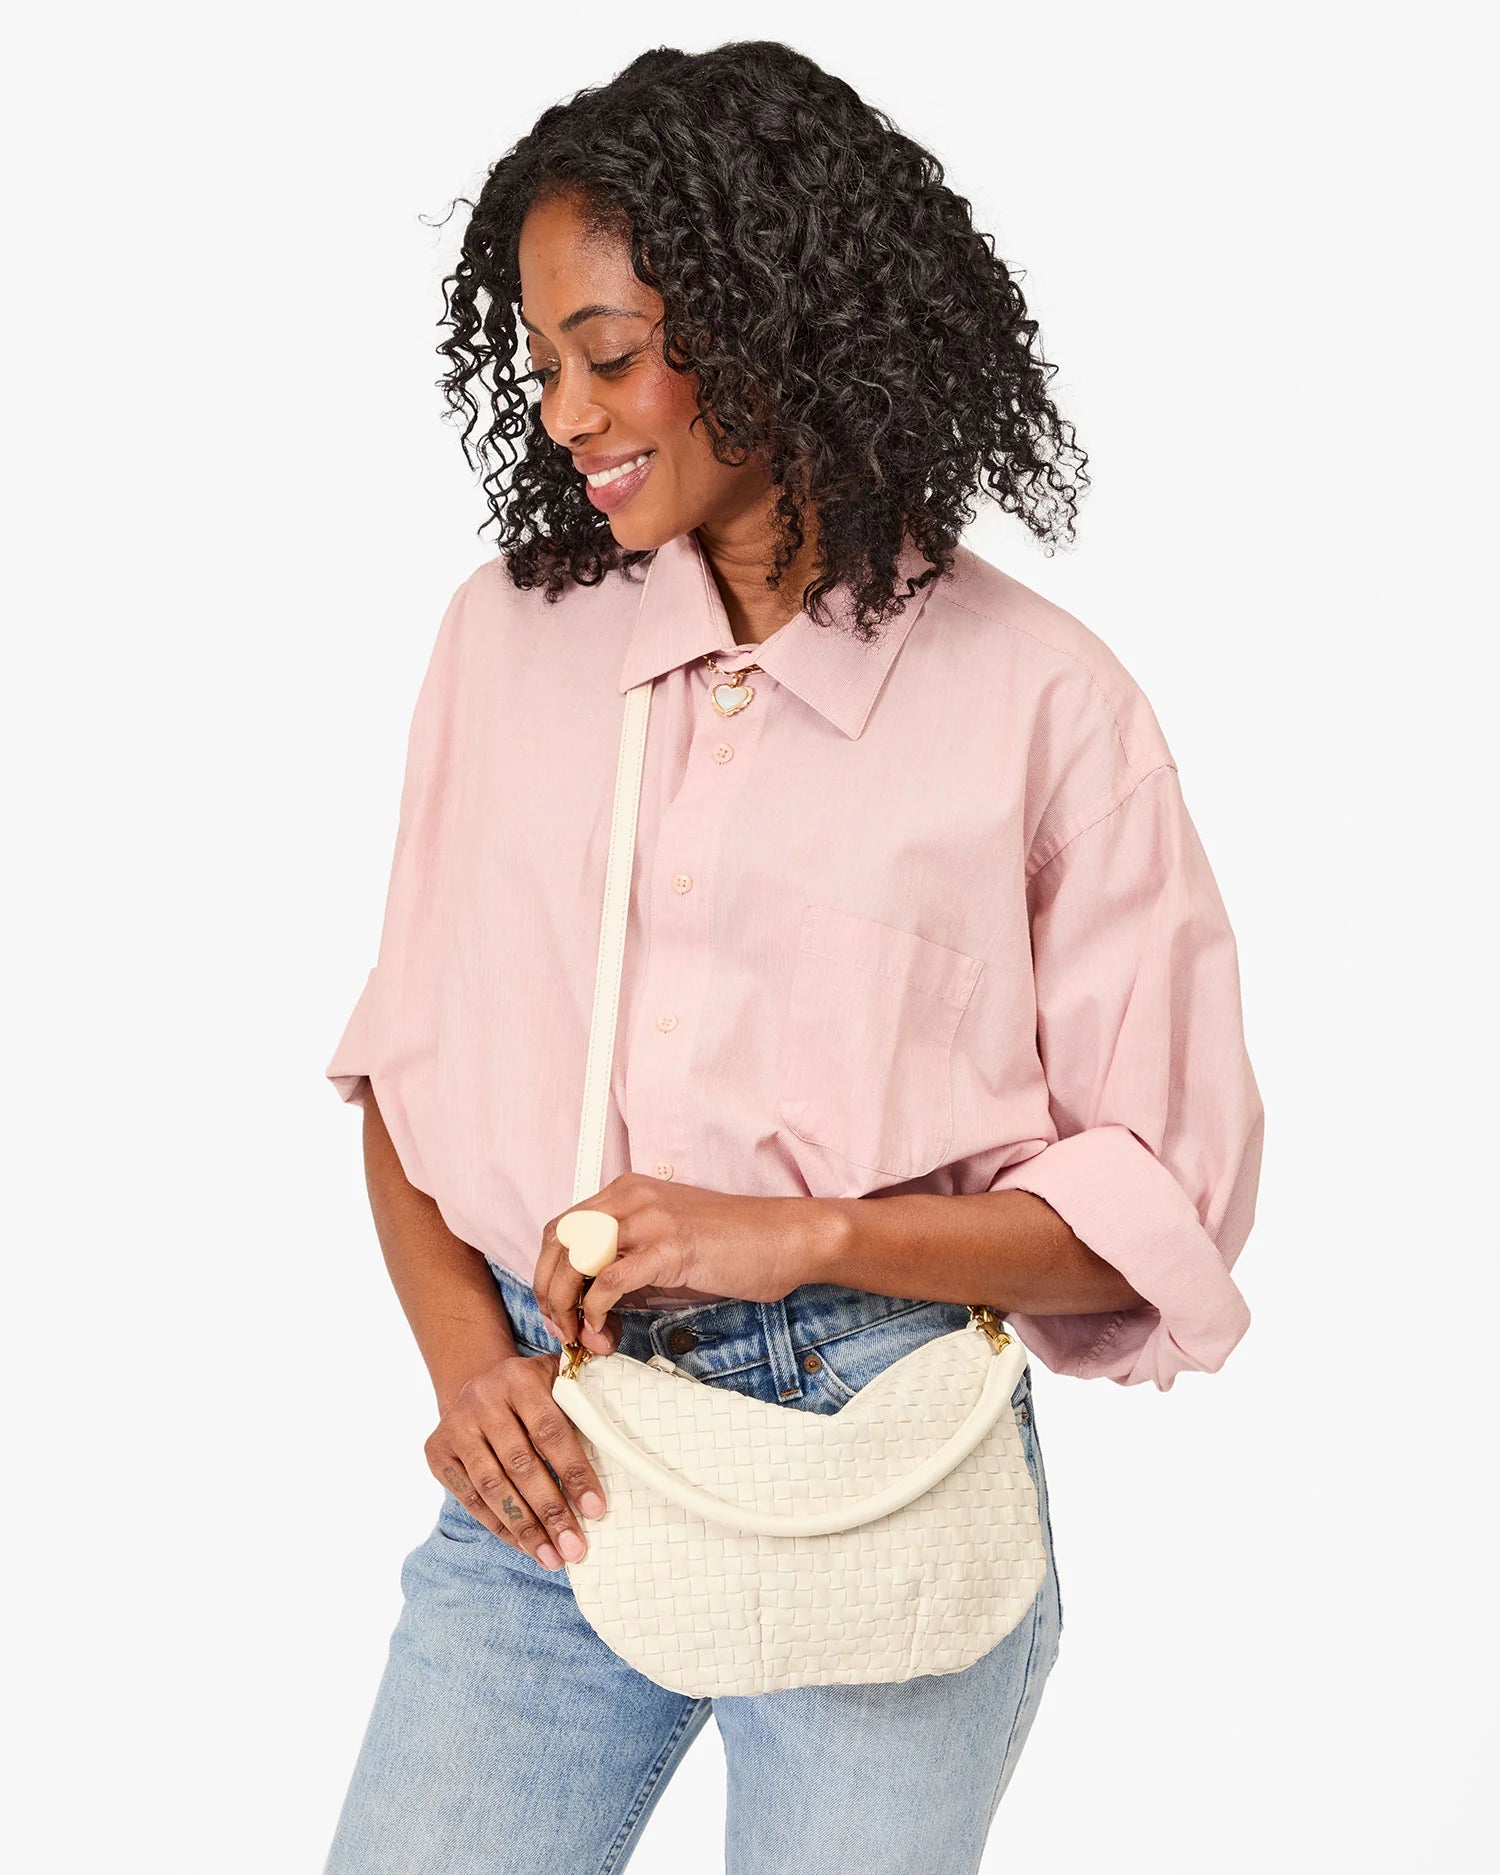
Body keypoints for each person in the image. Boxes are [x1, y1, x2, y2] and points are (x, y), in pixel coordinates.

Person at [320, 39, 1264, 1875]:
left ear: (776, 323)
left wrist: (807, 1236)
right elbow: (407, 1076)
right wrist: (465, 1371)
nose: (567, 414)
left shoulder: (1045, 705)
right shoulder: (507, 642)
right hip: (550, 1453)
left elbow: (1159, 1208)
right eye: (541, 365)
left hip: (880, 1453)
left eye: (610, 354)